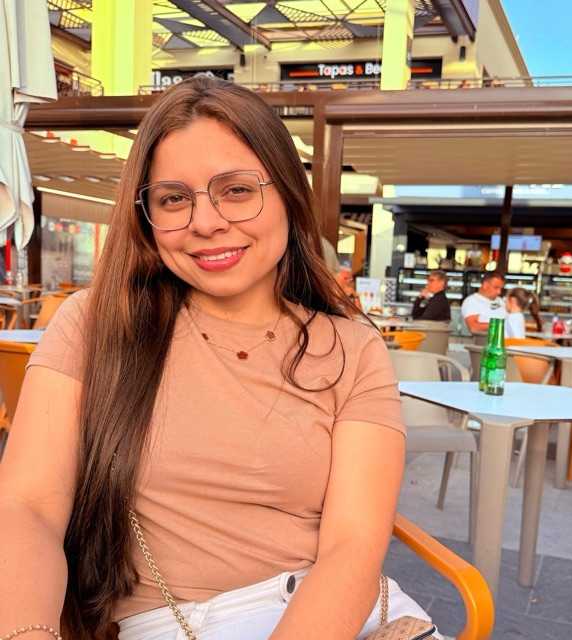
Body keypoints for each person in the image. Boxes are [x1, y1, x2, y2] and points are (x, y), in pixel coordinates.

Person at [0, 77, 438, 640]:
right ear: (146, 215)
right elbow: (27, 506)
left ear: (287, 192)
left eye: (236, 190)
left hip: (335, 615)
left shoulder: (352, 348)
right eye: (174, 198)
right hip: (171, 621)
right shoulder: (97, 324)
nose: (205, 222)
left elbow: (352, 546)